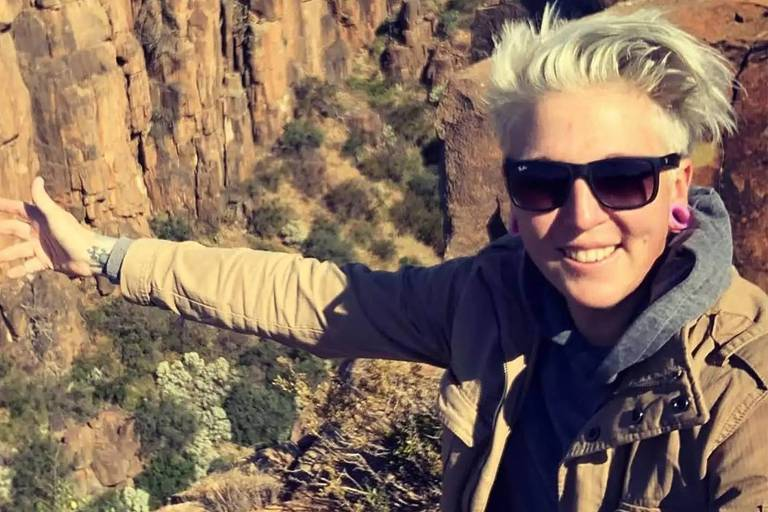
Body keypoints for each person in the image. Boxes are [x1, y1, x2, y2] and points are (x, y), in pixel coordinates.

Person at [1, 4, 766, 511]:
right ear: (511, 193)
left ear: (679, 184)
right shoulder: (495, 297)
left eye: (621, 178)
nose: (581, 216)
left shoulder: (743, 398)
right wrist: (100, 255)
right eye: (542, 183)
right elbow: (310, 295)